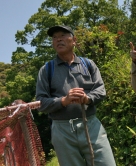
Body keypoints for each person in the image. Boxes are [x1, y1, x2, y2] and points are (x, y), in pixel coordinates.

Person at [36, 25, 116, 166]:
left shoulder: (88, 64)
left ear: (74, 40)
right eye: (55, 37)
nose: (58, 39)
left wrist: (87, 99)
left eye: (63, 35)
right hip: (62, 130)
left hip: (90, 125)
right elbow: (41, 103)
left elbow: (100, 91)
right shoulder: (46, 70)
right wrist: (63, 101)